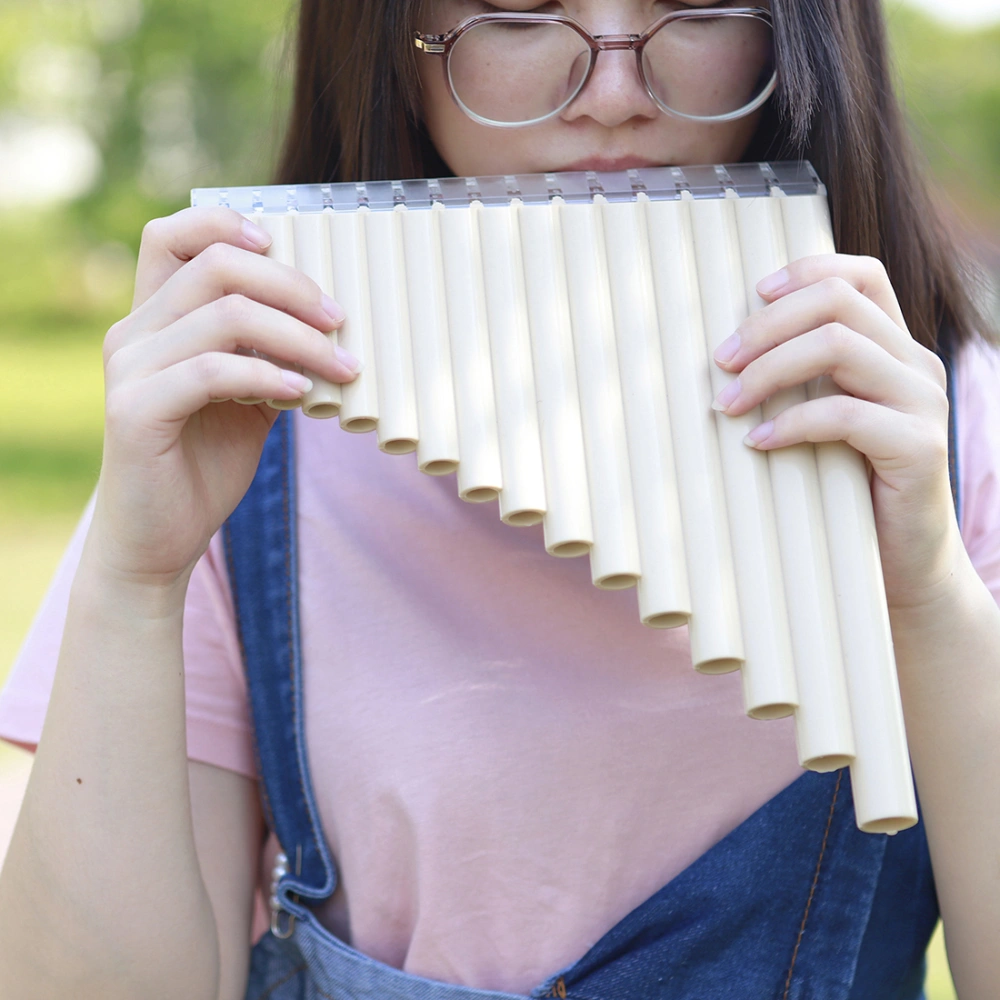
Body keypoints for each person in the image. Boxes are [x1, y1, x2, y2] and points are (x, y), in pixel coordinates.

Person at [0, 0, 998, 998]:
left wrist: (931, 594)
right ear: (391, 46)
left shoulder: (949, 433)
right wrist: (134, 581)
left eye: (693, 6)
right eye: (519, 15)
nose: (614, 94)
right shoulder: (244, 434)